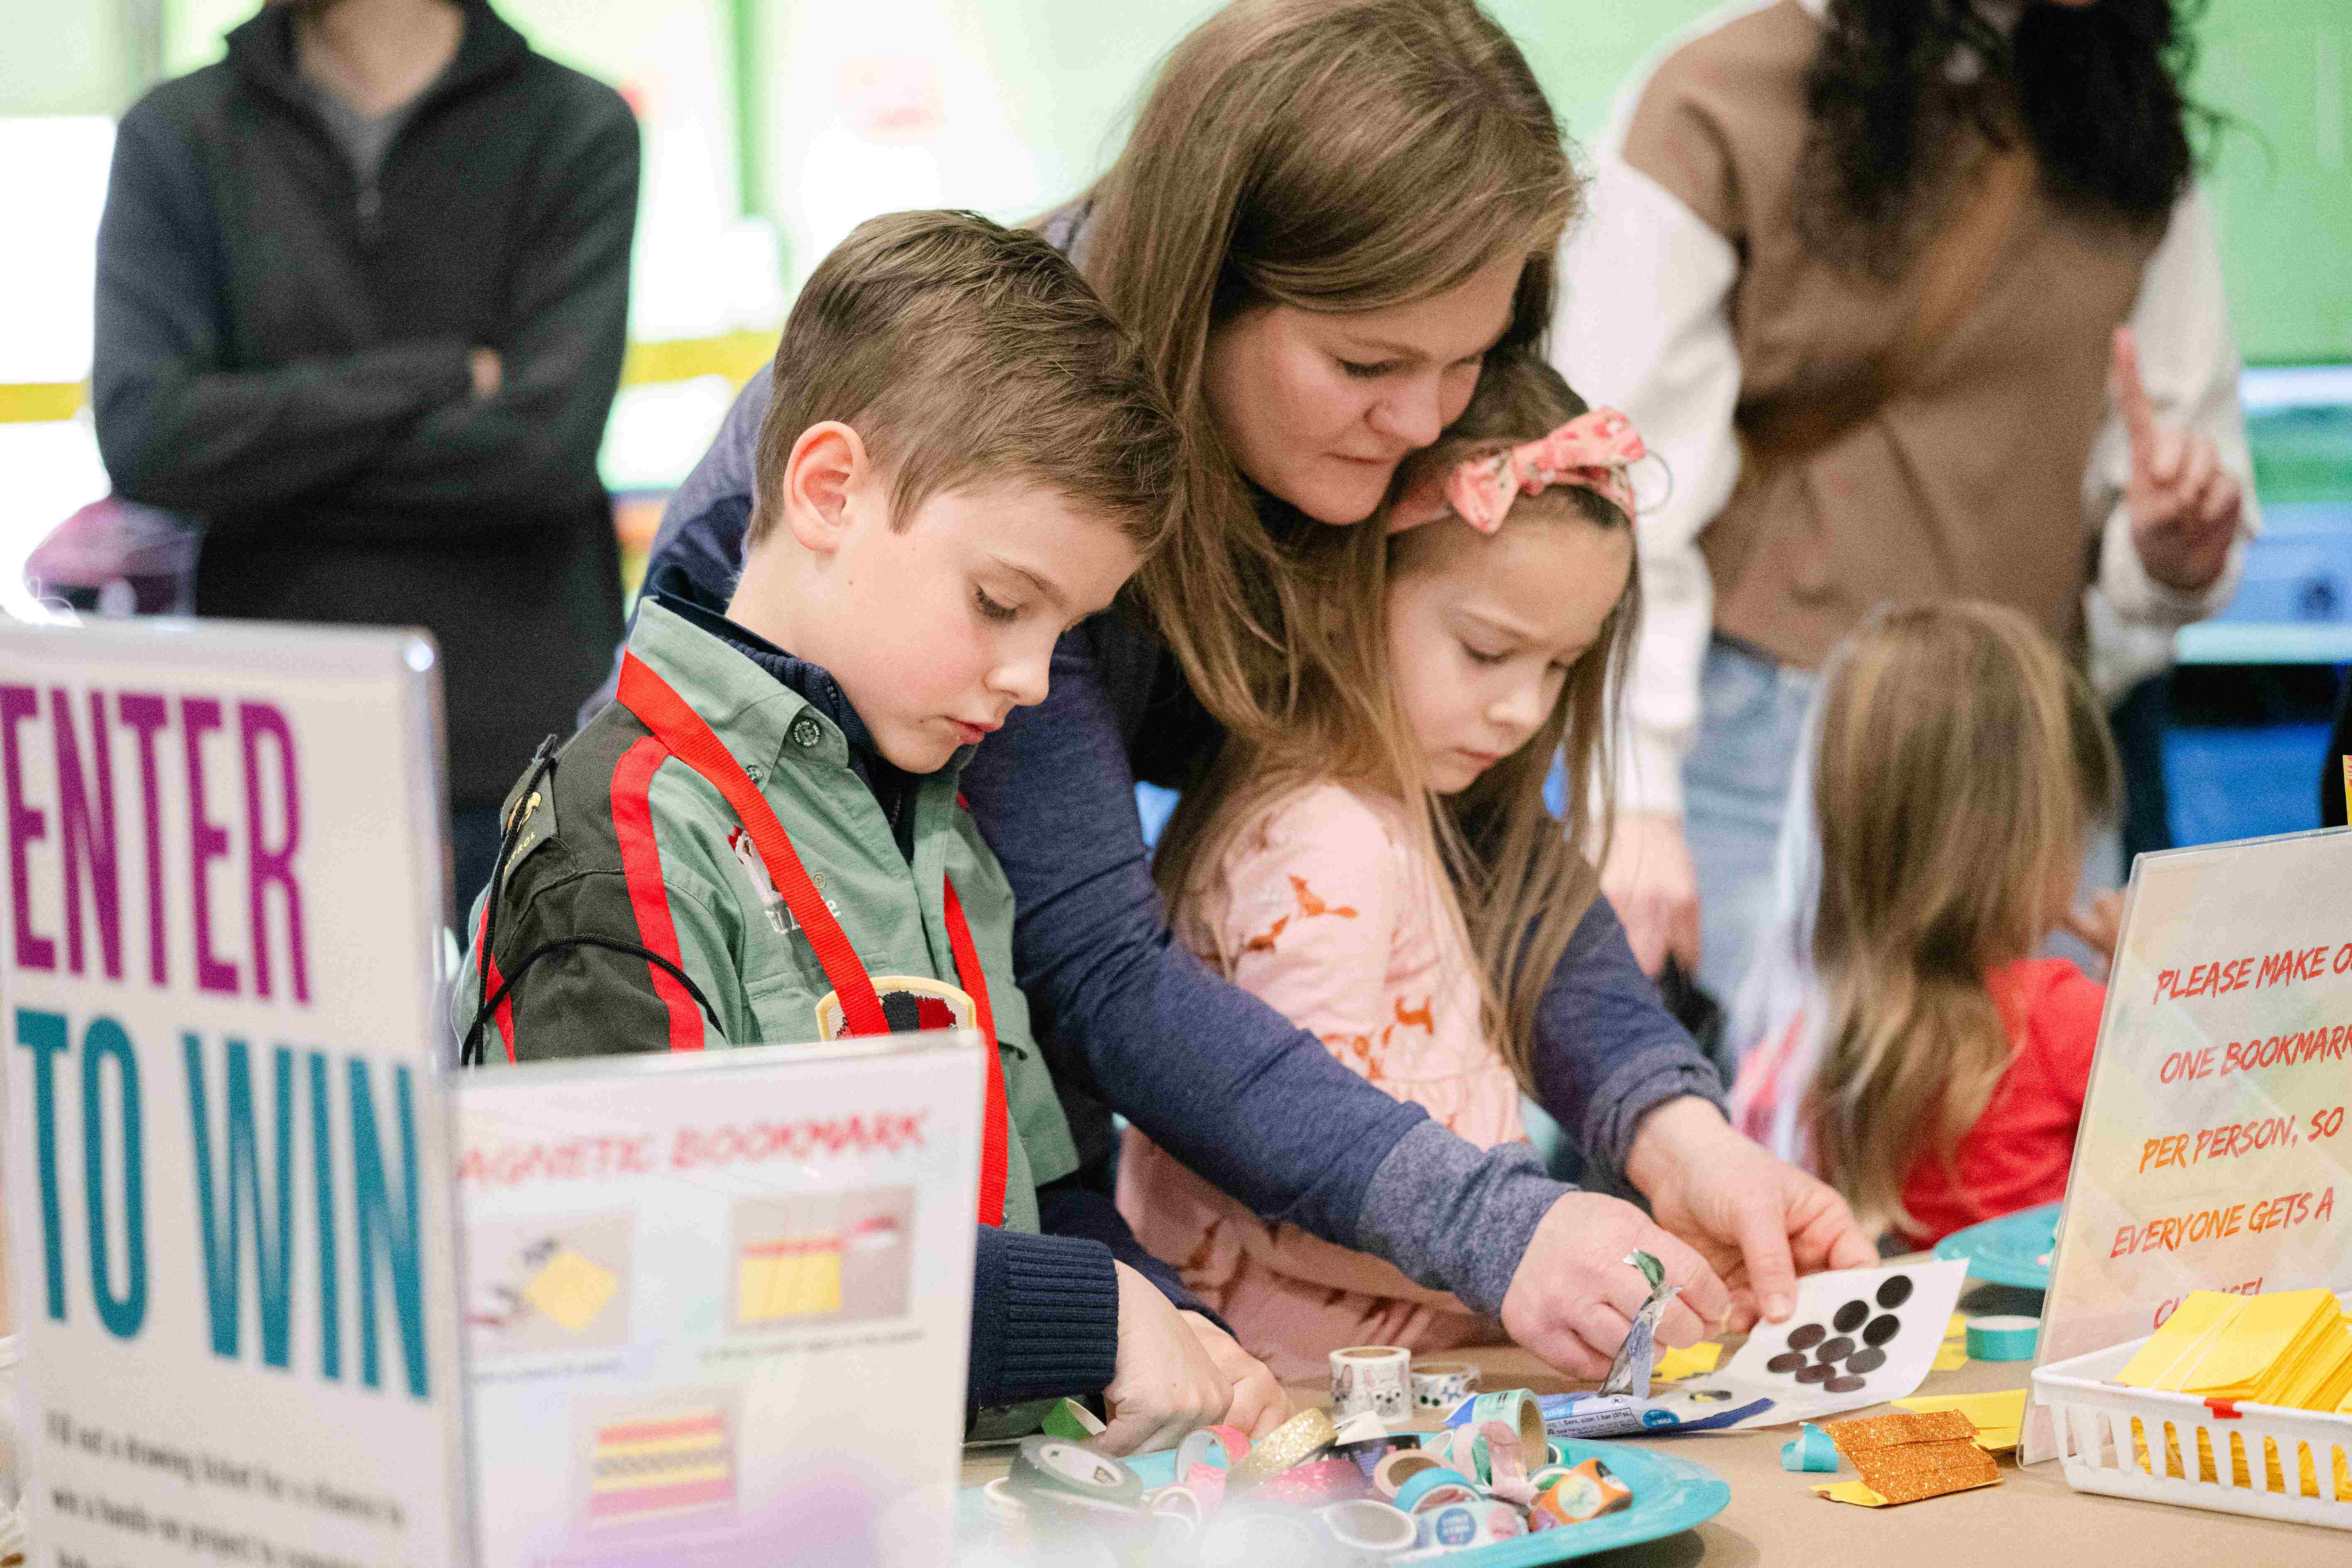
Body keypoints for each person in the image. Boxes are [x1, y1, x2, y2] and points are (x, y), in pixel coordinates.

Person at [623, 0, 1874, 1380]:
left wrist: (1669, 1124)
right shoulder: (1030, 450)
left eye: (1467, 363)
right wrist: (1485, 1221)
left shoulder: (1372, 435)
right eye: (1366, 366)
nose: (1423, 426)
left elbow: (1482, 834)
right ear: (1206, 286)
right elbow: (1090, 966)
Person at [454, 210, 1286, 1453]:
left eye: (1063, 633)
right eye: (1003, 602)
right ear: (830, 488)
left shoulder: (943, 828)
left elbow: (1048, 1195)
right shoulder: (619, 833)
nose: (1029, 679)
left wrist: (1173, 1333)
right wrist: (1084, 1316)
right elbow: (645, 1265)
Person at [1564, 0, 2255, 1008]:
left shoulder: (2129, 123)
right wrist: (1632, 798)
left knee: (2040, 1135)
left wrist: (2170, 553)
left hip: (2034, 744)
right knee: (1774, 1140)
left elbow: (2168, 484)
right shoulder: (1719, 98)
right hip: (1771, 748)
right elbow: (1619, 488)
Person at [1121, 356, 1673, 1377]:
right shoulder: (1325, 848)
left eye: (1559, 666)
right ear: (1347, 595)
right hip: (1318, 1395)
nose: (1526, 710)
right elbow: (1289, 1198)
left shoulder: (1393, 814)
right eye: (1486, 650)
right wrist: (1554, 1260)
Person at [91, 0, 638, 920]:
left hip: (529, 765)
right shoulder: (180, 133)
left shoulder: (576, 125)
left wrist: (264, 454)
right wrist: (438, 375)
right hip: (270, 765)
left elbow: (540, 453)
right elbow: (148, 437)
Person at [1729, 601, 2120, 1246]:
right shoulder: (2072, 1024)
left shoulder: (1791, 1056)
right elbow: (2223, 1156)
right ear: (2028, 836)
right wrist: (2148, 987)